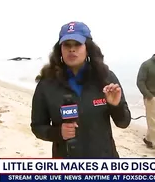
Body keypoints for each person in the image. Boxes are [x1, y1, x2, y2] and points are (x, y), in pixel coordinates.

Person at [30, 21, 131, 158]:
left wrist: (115, 106)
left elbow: (124, 122)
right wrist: (58, 133)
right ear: (60, 49)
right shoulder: (47, 84)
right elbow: (37, 127)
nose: (72, 50)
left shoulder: (105, 78)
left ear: (87, 48)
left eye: (77, 44)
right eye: (67, 45)